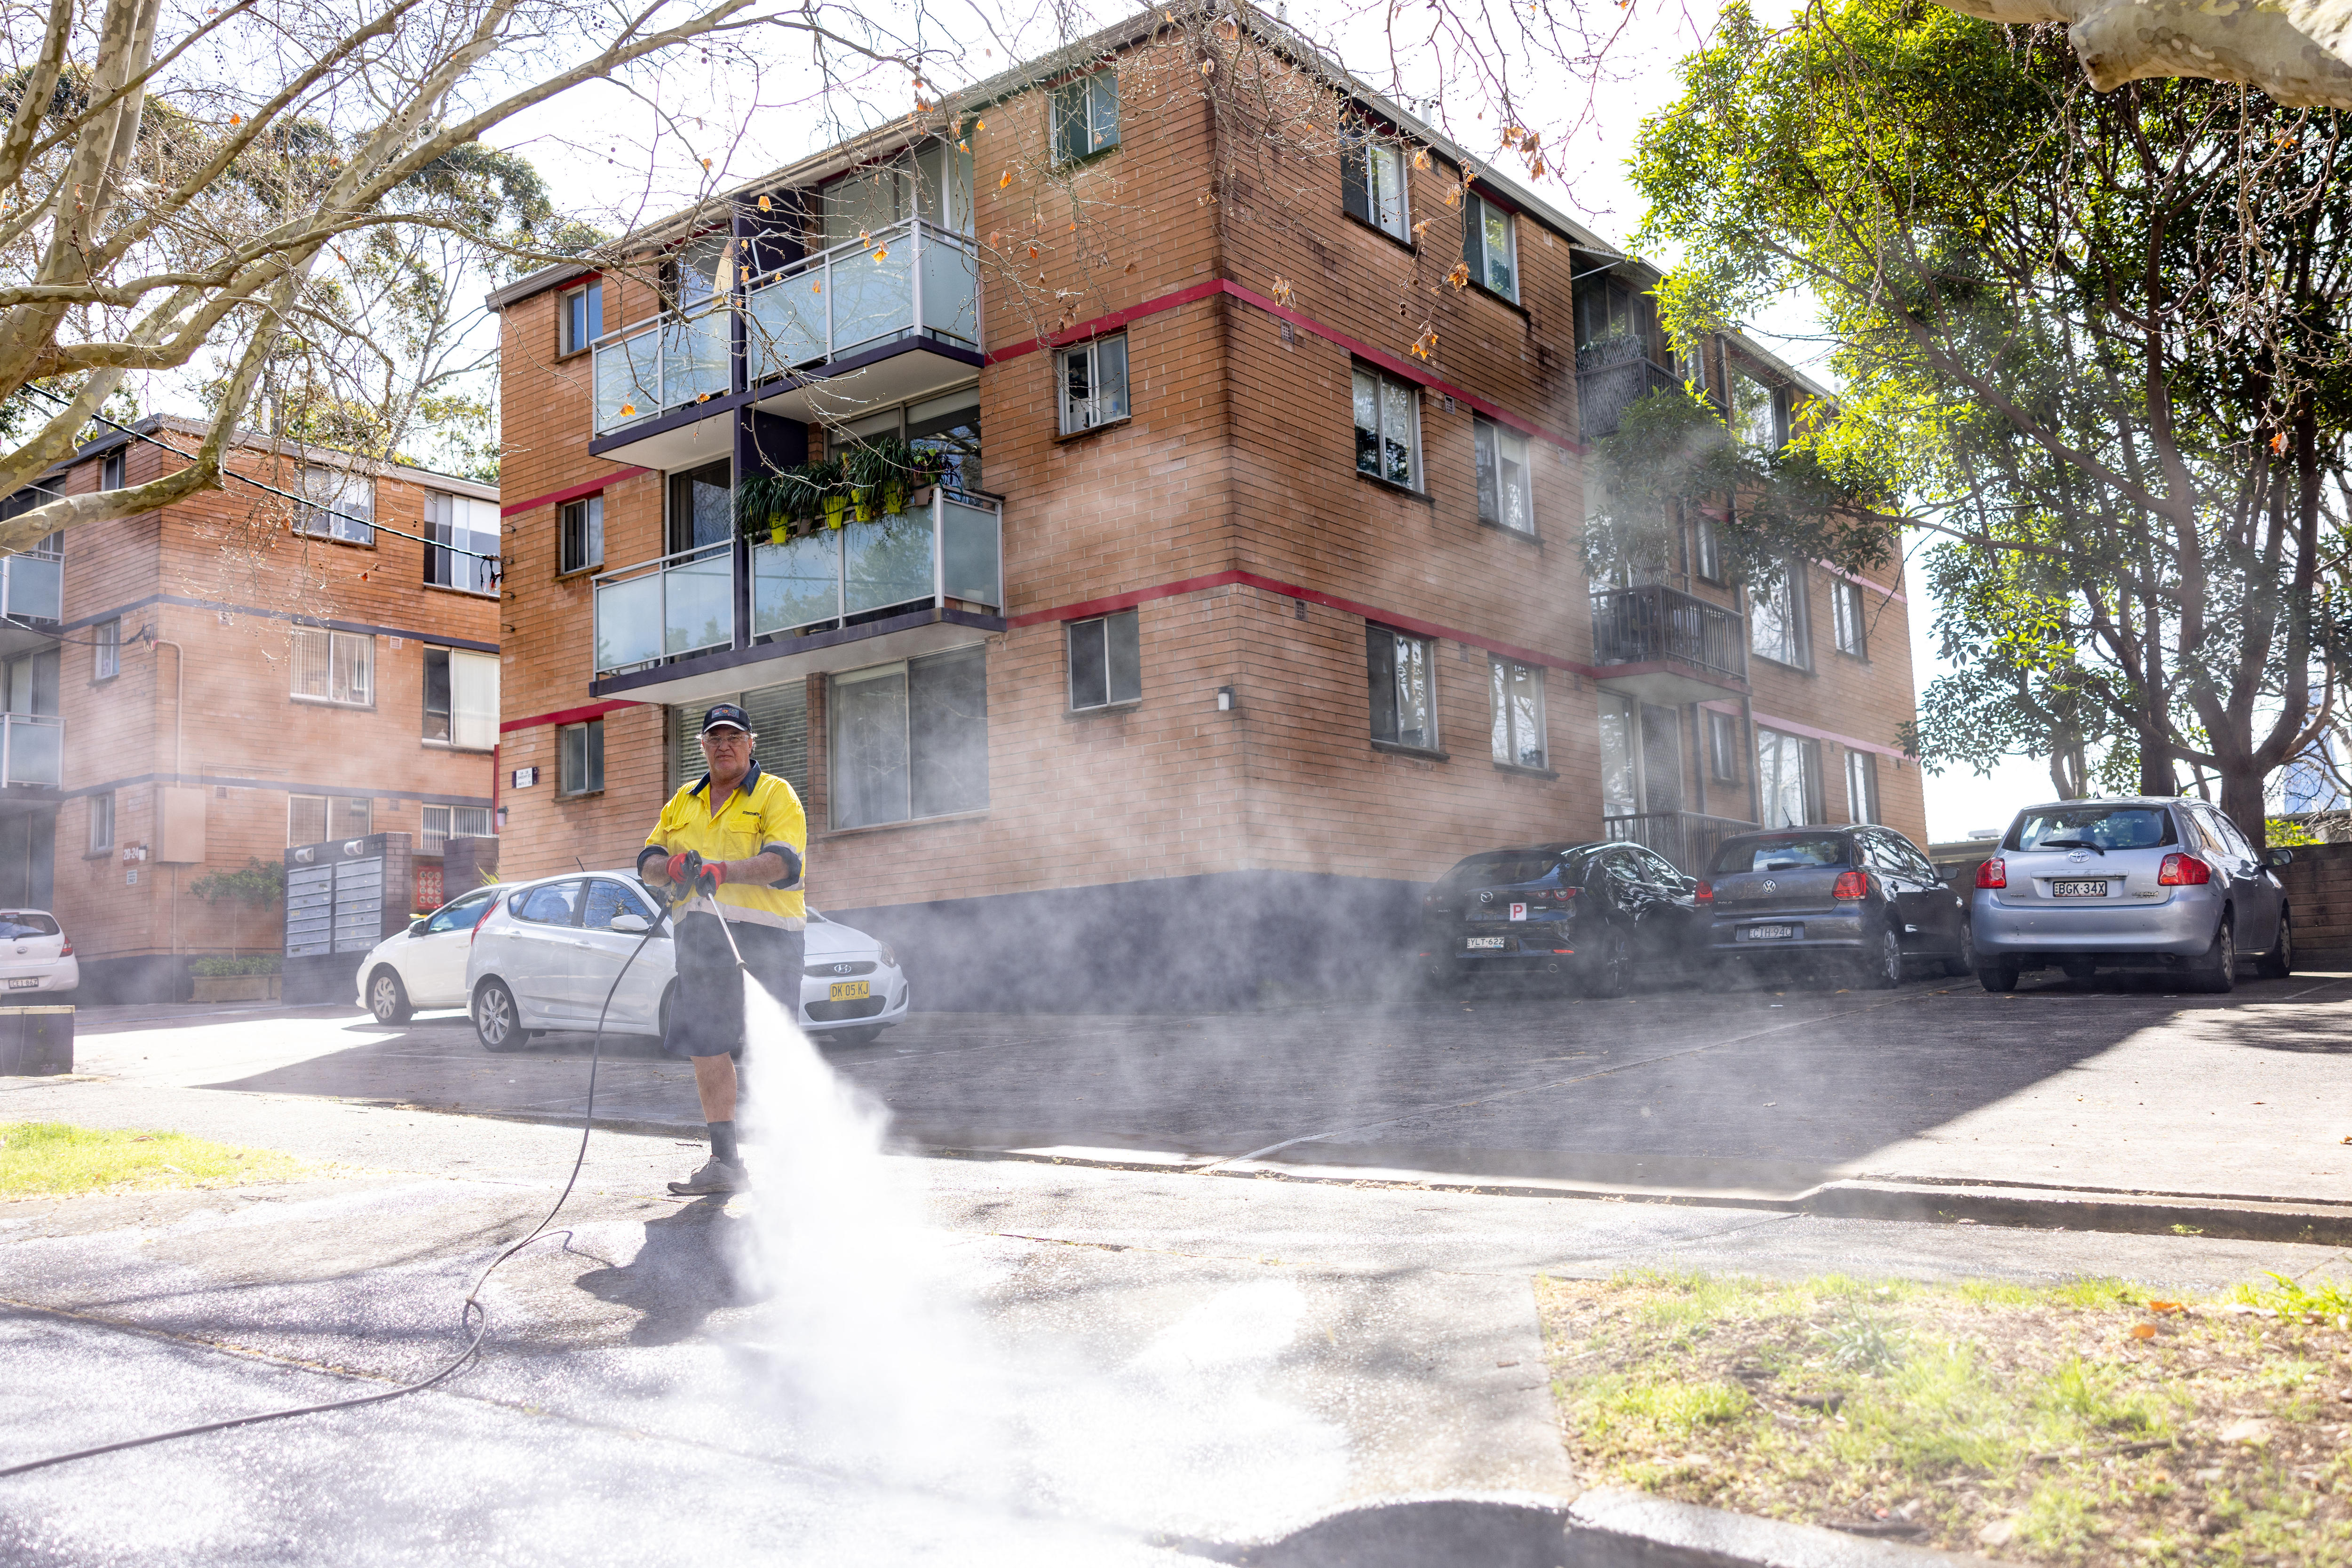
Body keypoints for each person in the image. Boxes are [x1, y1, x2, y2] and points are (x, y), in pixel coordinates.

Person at [639, 703, 807, 1195]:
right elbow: (648, 857)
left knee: (772, 1052)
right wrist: (669, 869)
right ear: (703, 747)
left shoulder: (776, 794)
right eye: (714, 738)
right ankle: (726, 1165)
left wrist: (723, 870)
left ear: (751, 744)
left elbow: (782, 862)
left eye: (733, 736)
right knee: (707, 1048)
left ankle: (794, 1163)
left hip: (768, 939)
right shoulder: (683, 801)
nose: (723, 745)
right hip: (699, 939)